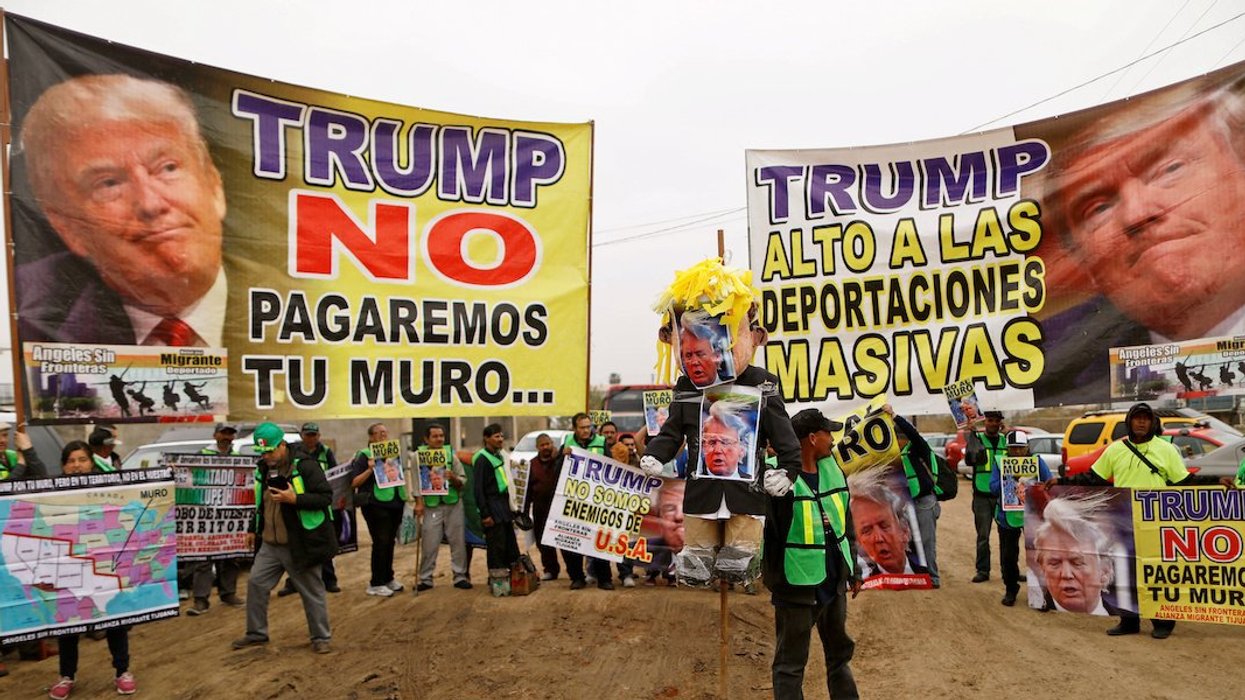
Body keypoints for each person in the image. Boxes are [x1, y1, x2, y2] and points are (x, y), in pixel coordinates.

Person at [1032, 76, 1245, 404]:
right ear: (1083, 264)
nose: (1136, 213)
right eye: (1098, 207)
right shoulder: (1041, 367)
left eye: (1169, 169)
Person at [17, 74, 227, 347]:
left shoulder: (284, 275)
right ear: (68, 228)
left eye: (168, 168)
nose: (150, 203)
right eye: (109, 183)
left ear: (214, 186)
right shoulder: (24, 309)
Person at [643, 258, 801, 589]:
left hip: (746, 491)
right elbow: (673, 432)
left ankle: (741, 559)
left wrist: (788, 469)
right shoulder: (687, 388)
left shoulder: (762, 383)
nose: (697, 360)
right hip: (702, 492)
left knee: (739, 555)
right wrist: (657, 453)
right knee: (697, 554)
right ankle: (699, 557)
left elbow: (783, 434)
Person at [1048, 402, 1238, 638]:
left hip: (1155, 522)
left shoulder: (1166, 450)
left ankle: (1163, 622)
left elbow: (1182, 483)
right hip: (1124, 521)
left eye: (1146, 419)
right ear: (1129, 422)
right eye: (1137, 418)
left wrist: (1216, 481)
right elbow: (1094, 477)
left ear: (1152, 423)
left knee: (1157, 570)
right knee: (1126, 569)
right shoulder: (1116, 450)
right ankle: (1129, 621)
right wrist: (1062, 481)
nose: (1141, 422)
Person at [763, 409, 860, 699]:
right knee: (790, 663)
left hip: (833, 580)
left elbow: (846, 520)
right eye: (828, 433)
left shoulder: (832, 467)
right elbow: (766, 532)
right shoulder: (773, 474)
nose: (833, 439)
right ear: (813, 438)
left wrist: (852, 568)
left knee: (839, 654)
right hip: (796, 584)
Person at [232, 423, 335, 653]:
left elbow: (325, 497)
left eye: (269, 451)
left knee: (312, 591)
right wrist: (252, 528)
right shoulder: (263, 468)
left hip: (300, 542)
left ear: (282, 444)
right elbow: (261, 502)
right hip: (270, 543)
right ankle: (256, 633)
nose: (266, 456)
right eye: (262, 452)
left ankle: (321, 637)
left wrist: (294, 499)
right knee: (256, 583)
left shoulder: (306, 466)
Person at [48, 441, 138, 698]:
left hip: (104, 567)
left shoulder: (109, 488)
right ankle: (66, 675)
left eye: (82, 459)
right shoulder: (50, 492)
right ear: (64, 466)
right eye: (71, 460)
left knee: (115, 619)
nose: (76, 465)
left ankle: (122, 671)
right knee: (69, 625)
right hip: (69, 570)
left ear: (92, 462)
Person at [1032, 491, 1123, 616]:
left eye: (1077, 563)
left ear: (1105, 571)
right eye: (1054, 563)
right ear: (1042, 569)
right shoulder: (1034, 613)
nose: (1066, 574)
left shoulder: (1124, 616)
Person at [278, 423, 343, 596]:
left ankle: (330, 580)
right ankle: (293, 583)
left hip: (321, 503)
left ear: (319, 435)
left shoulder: (325, 452)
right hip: (297, 506)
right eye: (308, 435)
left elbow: (335, 474)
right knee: (297, 546)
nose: (311, 438)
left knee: (323, 546)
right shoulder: (293, 455)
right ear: (302, 435)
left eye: (314, 434)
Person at [186, 423, 244, 616]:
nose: (227, 436)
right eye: (224, 433)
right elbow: (189, 478)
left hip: (230, 513)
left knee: (230, 554)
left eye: (230, 433)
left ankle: (228, 593)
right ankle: (201, 600)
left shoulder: (239, 458)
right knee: (203, 557)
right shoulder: (201, 454)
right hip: (206, 513)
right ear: (215, 434)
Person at [989, 431, 1051, 607]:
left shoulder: (1037, 462)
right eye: (1013, 448)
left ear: (1027, 448)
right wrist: (1007, 481)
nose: (1017, 452)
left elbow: (1049, 482)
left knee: (1037, 555)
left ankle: (1040, 594)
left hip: (1032, 517)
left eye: (1020, 448)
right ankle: (1010, 589)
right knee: (1008, 556)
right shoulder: (999, 462)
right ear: (1007, 449)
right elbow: (992, 488)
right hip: (1007, 517)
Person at [885, 405, 943, 587]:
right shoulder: (892, 455)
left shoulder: (917, 447)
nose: (896, 440)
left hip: (924, 501)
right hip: (905, 504)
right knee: (908, 540)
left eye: (897, 436)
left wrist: (894, 415)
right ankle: (918, 574)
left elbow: (914, 433)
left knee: (927, 541)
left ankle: (932, 578)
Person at [350, 422, 407, 597]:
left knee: (390, 542)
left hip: (395, 503)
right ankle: (376, 582)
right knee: (381, 542)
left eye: (385, 432)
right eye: (379, 433)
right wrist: (370, 469)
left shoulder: (392, 453)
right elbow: (354, 482)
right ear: (371, 437)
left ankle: (388, 577)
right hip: (375, 505)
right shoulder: (364, 455)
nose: (384, 435)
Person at [415, 423, 472, 591]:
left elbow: (463, 481)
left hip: (453, 504)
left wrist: (452, 477)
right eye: (435, 436)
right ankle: (426, 578)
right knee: (429, 542)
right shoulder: (418, 457)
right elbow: (416, 483)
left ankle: (460, 576)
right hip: (432, 506)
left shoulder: (450, 455)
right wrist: (418, 503)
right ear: (426, 439)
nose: (439, 439)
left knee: (458, 542)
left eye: (441, 436)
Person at [847, 467, 929, 578]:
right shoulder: (863, 579)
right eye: (867, 531)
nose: (879, 538)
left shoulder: (923, 573)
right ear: (859, 542)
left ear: (904, 530)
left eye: (884, 526)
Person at [559, 413, 610, 589]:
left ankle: (604, 579)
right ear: (574, 428)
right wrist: (562, 457)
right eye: (582, 427)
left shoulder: (602, 442)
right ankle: (577, 577)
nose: (587, 430)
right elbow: (558, 471)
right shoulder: (566, 443)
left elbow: (612, 469)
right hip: (573, 501)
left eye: (589, 426)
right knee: (572, 540)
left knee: (599, 540)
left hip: (596, 501)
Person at [474, 423, 519, 595]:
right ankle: (499, 585)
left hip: (504, 506)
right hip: (492, 507)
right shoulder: (482, 459)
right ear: (486, 438)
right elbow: (478, 490)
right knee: (496, 548)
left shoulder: (501, 456)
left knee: (510, 545)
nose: (500, 439)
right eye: (496, 436)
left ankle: (512, 580)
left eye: (501, 436)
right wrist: (485, 514)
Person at [964, 410, 1006, 583]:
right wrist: (972, 433)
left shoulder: (1006, 440)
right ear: (985, 421)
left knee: (1007, 536)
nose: (993, 423)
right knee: (983, 536)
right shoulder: (978, 439)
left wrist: (1009, 431)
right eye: (990, 420)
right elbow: (969, 459)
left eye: (997, 421)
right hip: (982, 495)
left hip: (1004, 494)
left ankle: (1009, 571)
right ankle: (983, 570)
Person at [526, 433, 574, 582]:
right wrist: (524, 512)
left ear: (552, 443)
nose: (546, 447)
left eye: (548, 444)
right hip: (540, 507)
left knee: (565, 540)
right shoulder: (531, 464)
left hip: (560, 506)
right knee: (543, 541)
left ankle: (573, 571)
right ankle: (551, 570)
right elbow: (527, 490)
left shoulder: (560, 460)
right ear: (537, 447)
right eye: (542, 445)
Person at [677, 308, 733, 388]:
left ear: (717, 356)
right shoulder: (682, 389)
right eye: (688, 356)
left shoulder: (741, 382)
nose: (694, 362)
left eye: (700, 354)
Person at [644, 479, 685, 586]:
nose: (679, 516)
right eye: (669, 509)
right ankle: (652, 575)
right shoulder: (649, 545)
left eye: (686, 508)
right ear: (659, 515)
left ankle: (672, 577)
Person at [698, 399, 753, 479]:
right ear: (703, 447)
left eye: (725, 442)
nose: (718, 450)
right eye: (712, 442)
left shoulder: (752, 484)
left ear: (741, 450)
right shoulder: (696, 484)